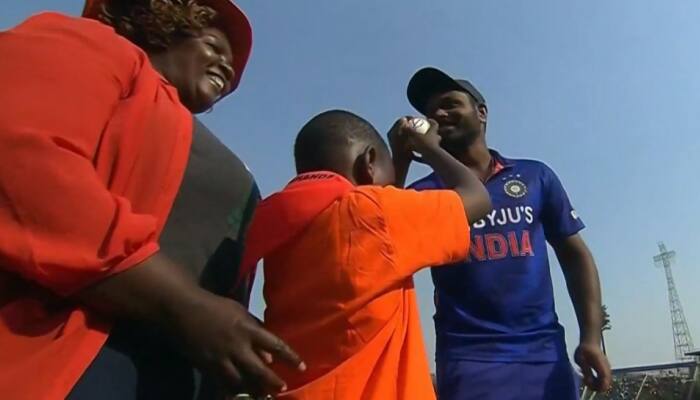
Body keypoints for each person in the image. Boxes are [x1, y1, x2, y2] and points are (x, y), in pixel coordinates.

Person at [0, 2, 304, 399]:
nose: (228, 71)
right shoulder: (89, 44)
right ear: (165, 24)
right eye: (214, 46)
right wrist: (183, 305)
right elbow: (23, 161)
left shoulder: (211, 148)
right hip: (67, 361)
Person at [238, 110, 492, 399]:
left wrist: (399, 158)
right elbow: (477, 198)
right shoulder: (371, 213)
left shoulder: (285, 224)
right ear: (368, 162)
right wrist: (428, 147)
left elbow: (380, 243)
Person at [404, 67, 612, 400]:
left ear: (481, 112)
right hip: (468, 358)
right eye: (430, 113)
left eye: (449, 103)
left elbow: (575, 254)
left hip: (544, 354)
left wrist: (590, 337)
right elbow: (376, 244)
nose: (439, 115)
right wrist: (402, 159)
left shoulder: (535, 176)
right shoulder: (423, 193)